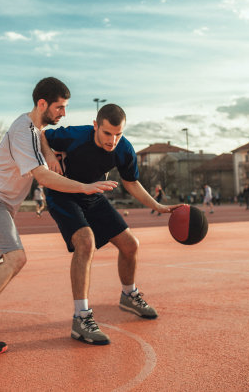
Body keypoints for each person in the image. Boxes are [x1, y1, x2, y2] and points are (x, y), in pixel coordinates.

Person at [0, 77, 116, 356]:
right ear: (42, 103)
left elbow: (42, 139)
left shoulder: (33, 129)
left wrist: (49, 152)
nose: (64, 113)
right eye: (60, 107)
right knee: (16, 258)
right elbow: (43, 177)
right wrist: (85, 187)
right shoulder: (23, 129)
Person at [41, 103, 181, 346]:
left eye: (118, 134)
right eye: (107, 133)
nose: (112, 140)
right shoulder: (76, 135)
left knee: (130, 245)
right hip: (62, 193)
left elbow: (131, 182)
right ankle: (81, 318)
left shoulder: (124, 149)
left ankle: (129, 294)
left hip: (93, 195)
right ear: (95, 126)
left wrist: (157, 206)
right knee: (86, 242)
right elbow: (42, 134)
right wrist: (50, 154)